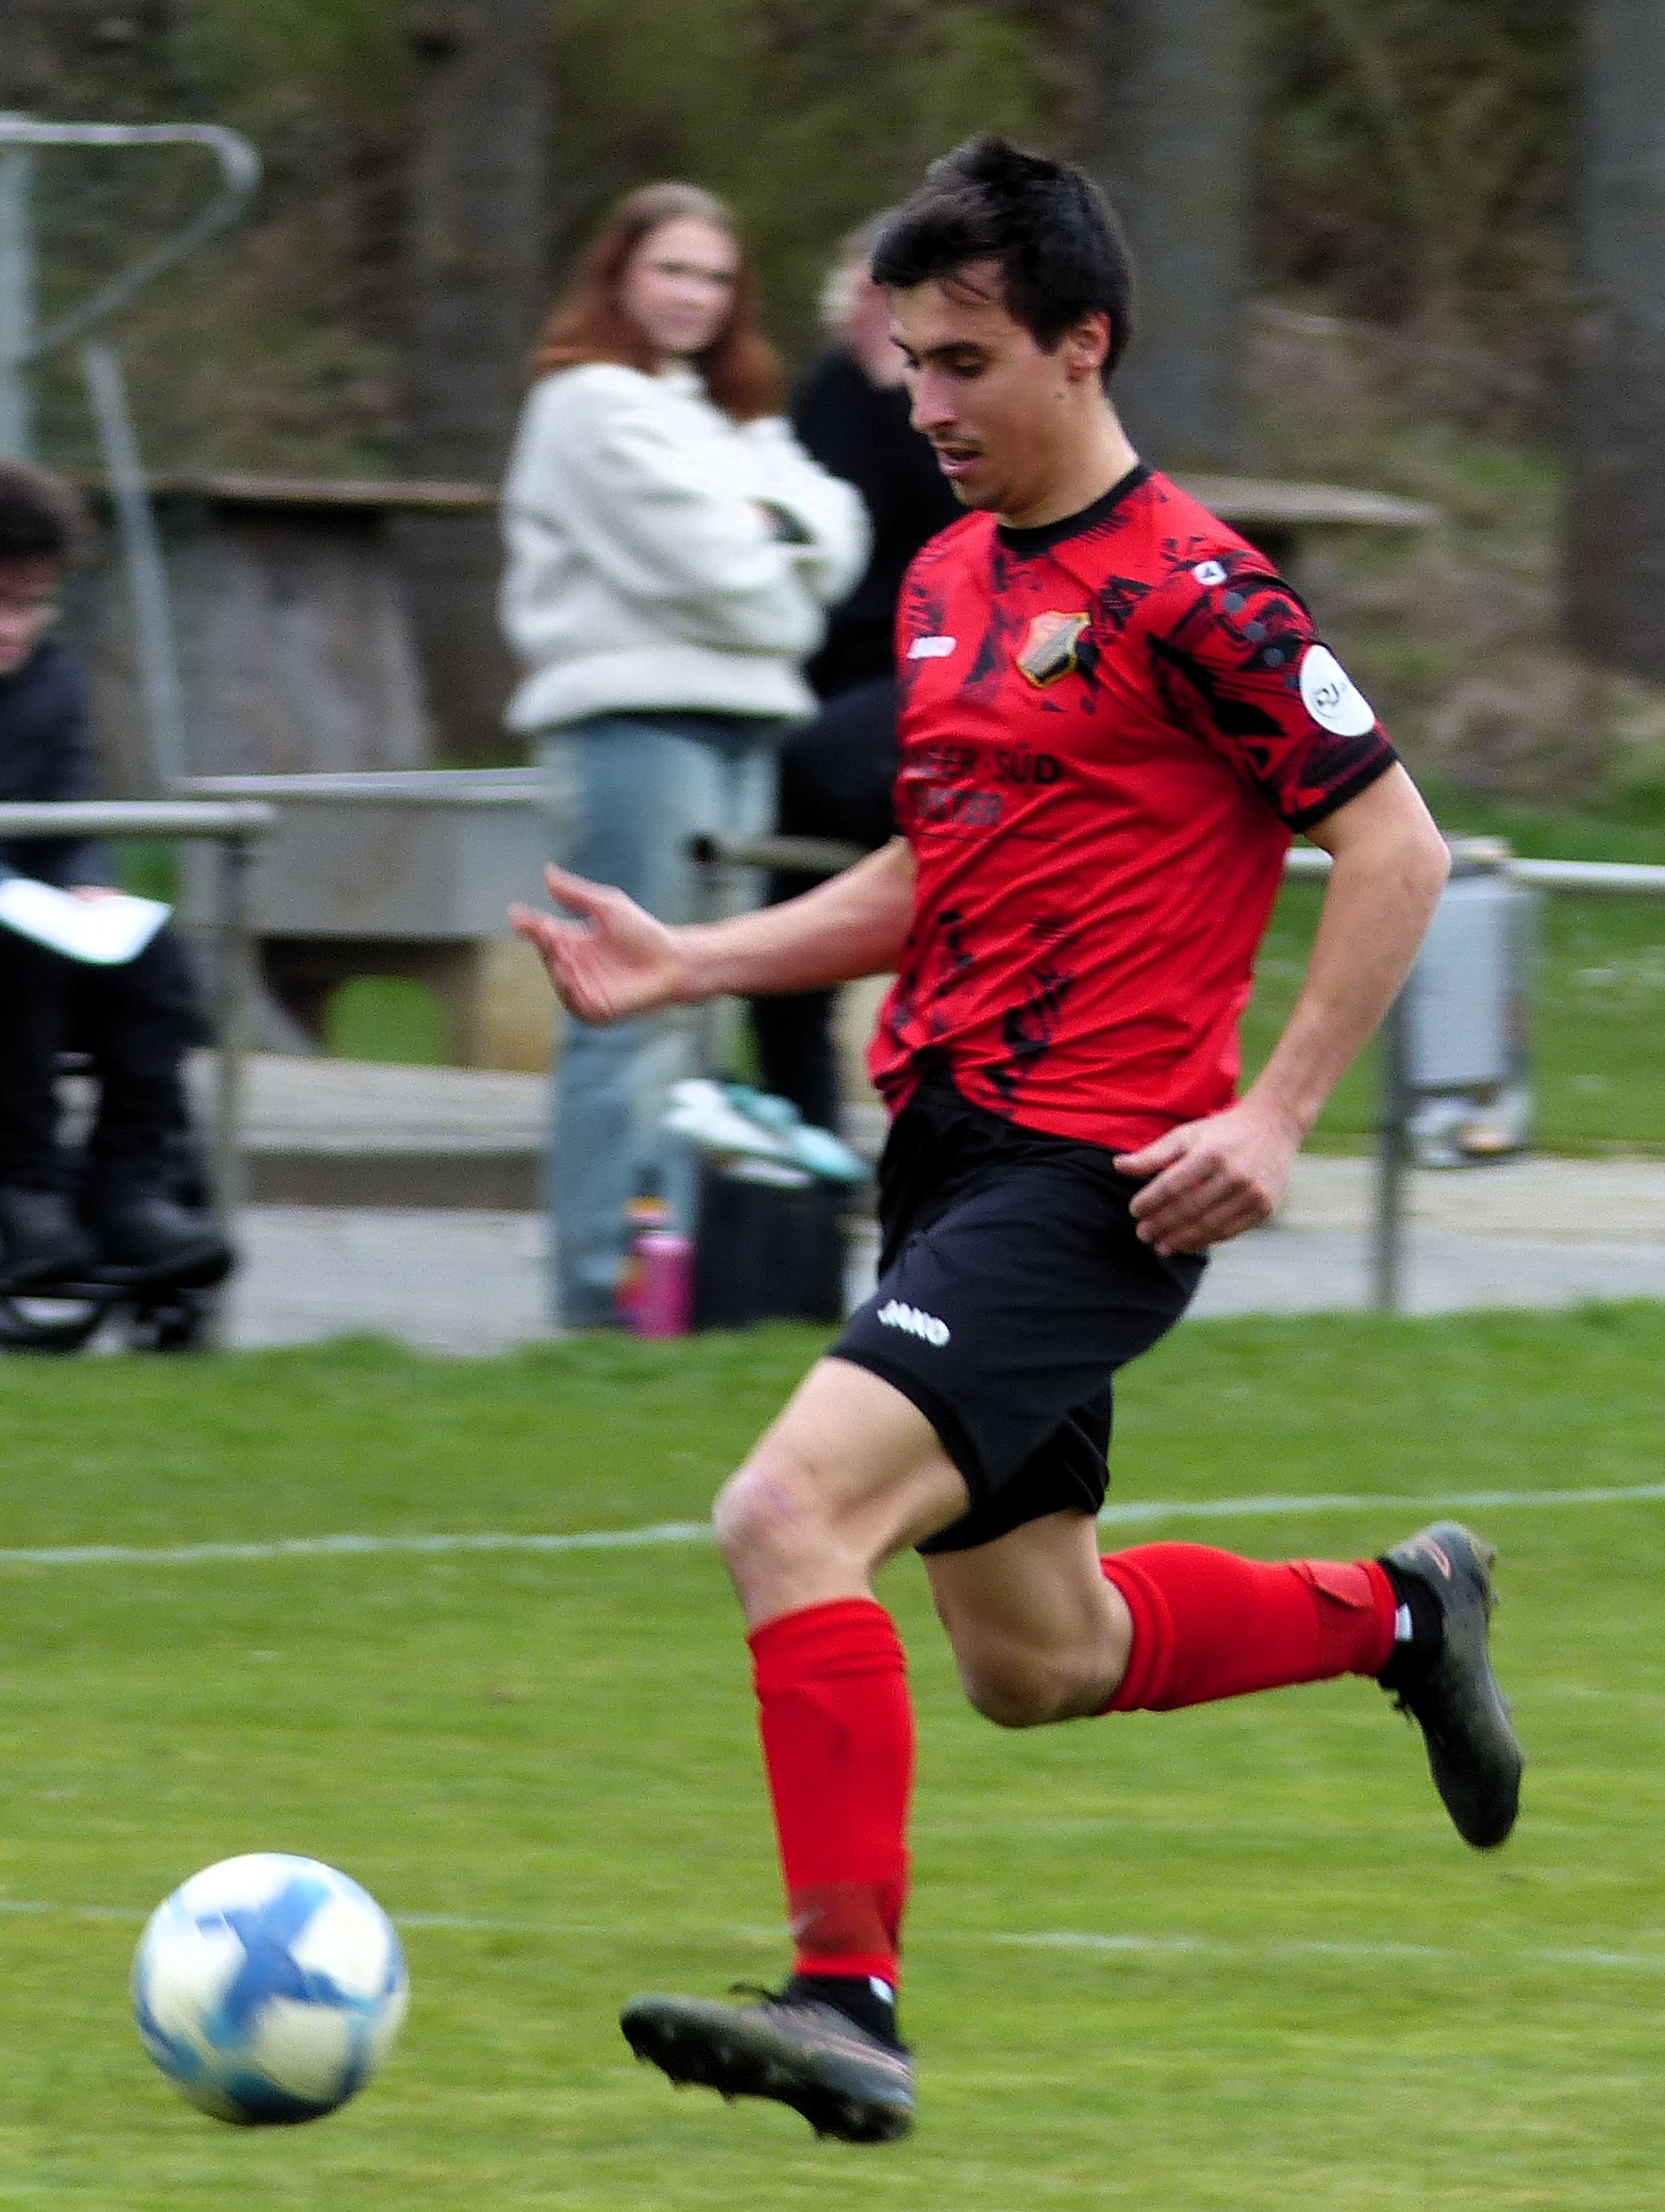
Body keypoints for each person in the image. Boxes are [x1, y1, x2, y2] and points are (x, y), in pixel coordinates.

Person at [511, 138, 1523, 2144]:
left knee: (784, 1514)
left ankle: (846, 1998)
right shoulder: (947, 579)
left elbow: (1394, 845)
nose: (926, 404)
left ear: (1085, 343)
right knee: (1039, 1658)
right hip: (946, 1155)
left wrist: (1274, 1113)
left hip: (1098, 1179)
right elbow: (936, 868)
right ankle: (1405, 1610)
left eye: (965, 361)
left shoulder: (1203, 593)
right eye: (909, 360)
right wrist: (695, 959)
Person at [499, 182, 868, 1327]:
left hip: (746, 725)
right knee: (623, 1015)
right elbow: (718, 573)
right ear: (618, 274)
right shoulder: (586, 402)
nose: (691, 296)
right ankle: (598, 1297)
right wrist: (778, 554)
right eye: (670, 270)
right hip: (636, 724)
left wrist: (772, 537)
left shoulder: (733, 419)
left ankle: (675, 1292)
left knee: (698, 1007)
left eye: (713, 277)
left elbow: (841, 529)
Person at [750, 219, 962, 1131]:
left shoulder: (952, 397)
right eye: (863, 291)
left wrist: (894, 384)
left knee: (822, 769)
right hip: (830, 678)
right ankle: (804, 1161)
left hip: (934, 674)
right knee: (776, 954)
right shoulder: (824, 391)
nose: (871, 312)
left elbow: (952, 524)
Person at [0, 459, 231, 1296]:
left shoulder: (52, 679)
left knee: (154, 963)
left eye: (31, 605)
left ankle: (129, 1186)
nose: (13, 629)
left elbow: (70, 805)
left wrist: (87, 882)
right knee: (21, 959)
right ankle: (21, 1188)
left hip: (28, 910)